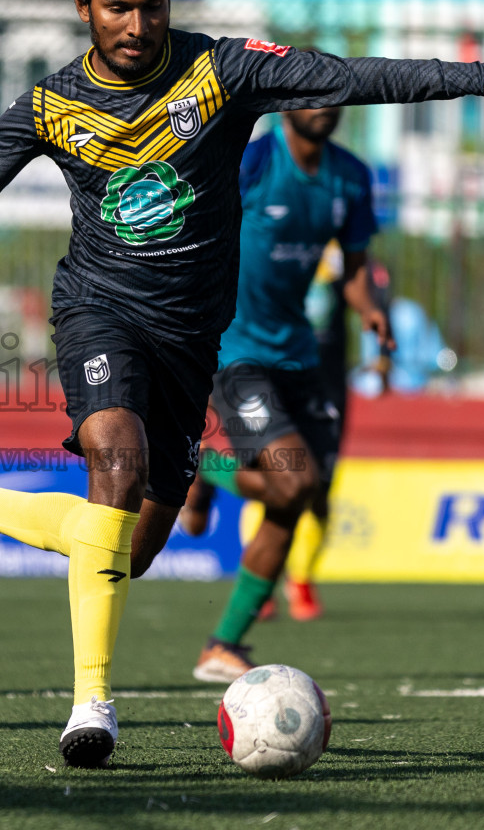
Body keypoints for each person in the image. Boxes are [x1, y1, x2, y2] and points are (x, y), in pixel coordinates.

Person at [0, 0, 484, 768]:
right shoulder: (54, 105)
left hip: (191, 339)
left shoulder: (222, 70)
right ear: (84, 9)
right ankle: (92, 703)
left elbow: (350, 75)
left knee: (125, 551)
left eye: (152, 6)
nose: (137, 26)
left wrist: (482, 75)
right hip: (100, 310)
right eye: (118, 8)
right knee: (114, 464)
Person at [173, 102, 392, 683]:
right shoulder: (253, 160)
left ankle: (222, 644)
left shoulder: (350, 176)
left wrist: (371, 311)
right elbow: (195, 227)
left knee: (301, 493)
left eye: (334, 97)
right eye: (311, 95)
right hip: (236, 349)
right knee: (292, 481)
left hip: (301, 353)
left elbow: (353, 265)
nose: (325, 107)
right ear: (287, 104)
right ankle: (201, 472)